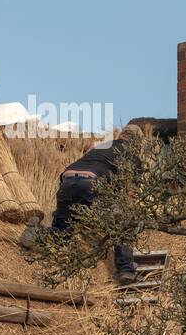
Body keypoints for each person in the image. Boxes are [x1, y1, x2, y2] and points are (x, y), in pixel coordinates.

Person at [22, 119, 166, 284]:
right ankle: (126, 270)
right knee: (123, 223)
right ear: (137, 142)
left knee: (63, 233)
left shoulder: (101, 147)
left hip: (67, 182)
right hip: (90, 184)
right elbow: (130, 194)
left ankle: (35, 232)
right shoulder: (130, 155)